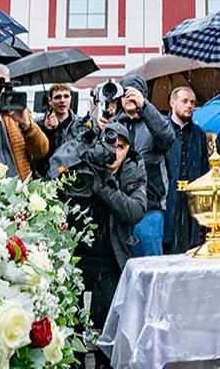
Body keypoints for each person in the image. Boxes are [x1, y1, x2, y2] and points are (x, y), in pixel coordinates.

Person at [70, 121, 147, 369]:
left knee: (109, 330)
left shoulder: (134, 168)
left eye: (122, 147)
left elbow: (135, 210)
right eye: (111, 145)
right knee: (73, 329)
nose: (115, 152)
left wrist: (103, 186)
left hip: (113, 257)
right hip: (78, 255)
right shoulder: (85, 163)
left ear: (128, 150)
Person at [109, 78, 175, 257]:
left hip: (149, 208)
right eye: (125, 93)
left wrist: (144, 106)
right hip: (117, 208)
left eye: (133, 93)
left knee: (150, 267)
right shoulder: (112, 125)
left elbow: (167, 137)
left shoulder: (155, 121)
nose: (128, 97)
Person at [163, 86, 210, 255]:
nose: (190, 105)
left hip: (191, 201)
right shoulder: (163, 131)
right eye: (185, 101)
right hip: (168, 199)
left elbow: (205, 170)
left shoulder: (199, 134)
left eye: (192, 102)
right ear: (172, 103)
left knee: (192, 250)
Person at [33, 83, 78, 179]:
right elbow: (36, 157)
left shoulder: (79, 124)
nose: (62, 100)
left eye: (66, 96)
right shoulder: (37, 124)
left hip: (71, 178)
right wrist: (46, 131)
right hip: (46, 178)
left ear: (70, 98)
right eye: (58, 97)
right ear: (50, 101)